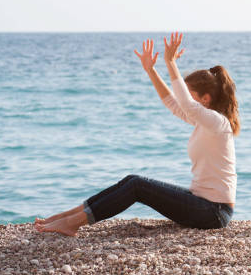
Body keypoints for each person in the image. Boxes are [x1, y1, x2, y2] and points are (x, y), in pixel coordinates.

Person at [34, 32, 239, 236]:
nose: (184, 98)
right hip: (203, 204)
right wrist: (151, 70)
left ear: (205, 99)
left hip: (214, 212)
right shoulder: (204, 122)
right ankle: (64, 218)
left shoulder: (218, 123)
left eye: (190, 94)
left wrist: (170, 62)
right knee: (132, 180)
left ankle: (72, 223)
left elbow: (185, 104)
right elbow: (173, 103)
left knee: (138, 186)